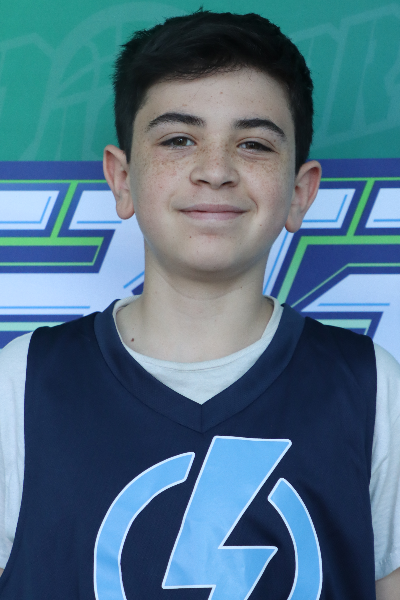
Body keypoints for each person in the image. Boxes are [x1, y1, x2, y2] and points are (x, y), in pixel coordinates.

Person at [0, 10, 399, 600]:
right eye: (178, 140)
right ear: (122, 179)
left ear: (300, 191)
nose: (215, 171)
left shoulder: (370, 386)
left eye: (254, 144)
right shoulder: (22, 381)